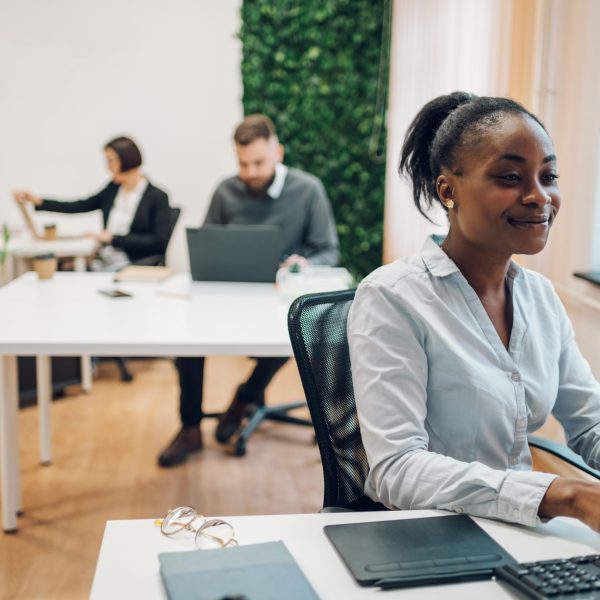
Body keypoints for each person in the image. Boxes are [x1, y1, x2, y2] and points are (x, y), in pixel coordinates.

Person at [348, 92, 600, 532]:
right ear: (448, 190)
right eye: (510, 177)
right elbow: (396, 469)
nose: (539, 197)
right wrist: (565, 495)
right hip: (433, 537)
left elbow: (590, 421)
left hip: (525, 531)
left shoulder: (540, 298)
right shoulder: (392, 298)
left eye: (548, 175)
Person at [158, 114, 339, 467]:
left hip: (280, 296)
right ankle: (190, 427)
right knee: (188, 338)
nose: (250, 172)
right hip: (232, 294)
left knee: (297, 327)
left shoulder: (308, 189)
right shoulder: (226, 190)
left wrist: (302, 264)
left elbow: (328, 250)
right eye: (243, 164)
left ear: (278, 153)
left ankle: (246, 397)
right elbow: (208, 243)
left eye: (259, 162)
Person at [13, 136, 171, 270]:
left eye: (111, 160)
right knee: (63, 267)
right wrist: (38, 201)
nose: (108, 167)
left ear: (126, 159)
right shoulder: (113, 189)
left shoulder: (157, 197)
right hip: (106, 258)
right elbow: (79, 206)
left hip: (133, 264)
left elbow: (158, 243)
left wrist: (112, 238)